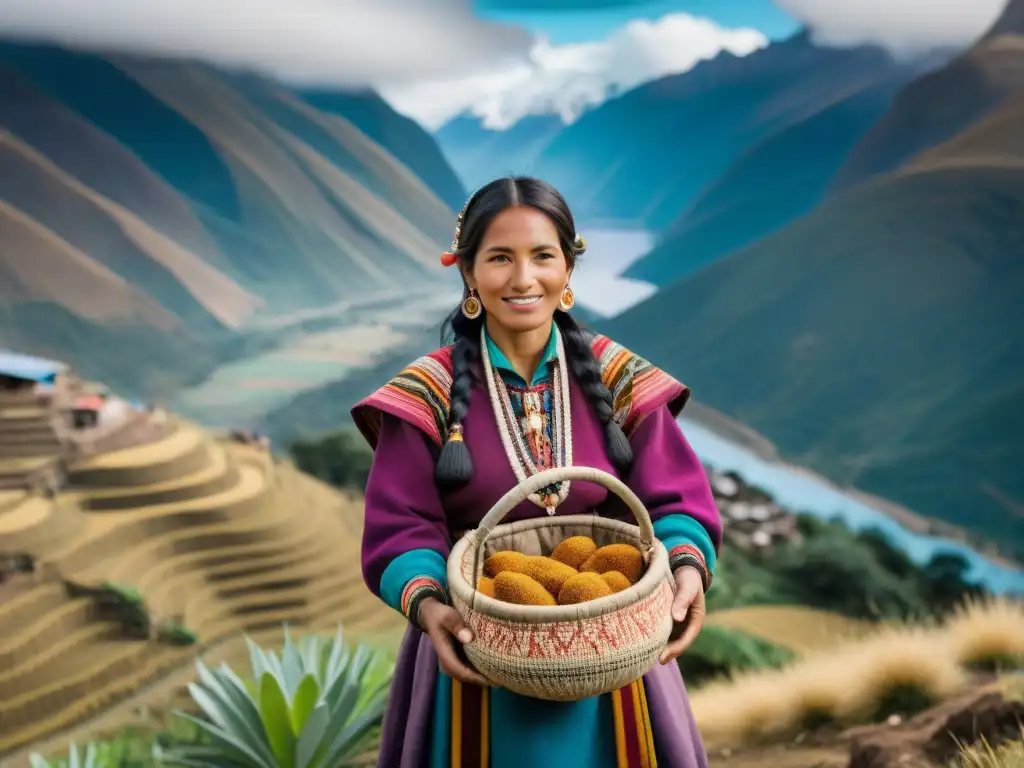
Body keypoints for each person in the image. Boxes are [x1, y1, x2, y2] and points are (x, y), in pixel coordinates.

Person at [352, 177, 722, 768]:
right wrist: (429, 607)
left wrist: (685, 570)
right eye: (500, 258)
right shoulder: (426, 395)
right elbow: (401, 526)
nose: (523, 279)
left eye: (543, 256)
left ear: (568, 269)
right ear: (468, 272)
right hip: (476, 651)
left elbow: (676, 502)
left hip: (614, 650)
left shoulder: (619, 377)